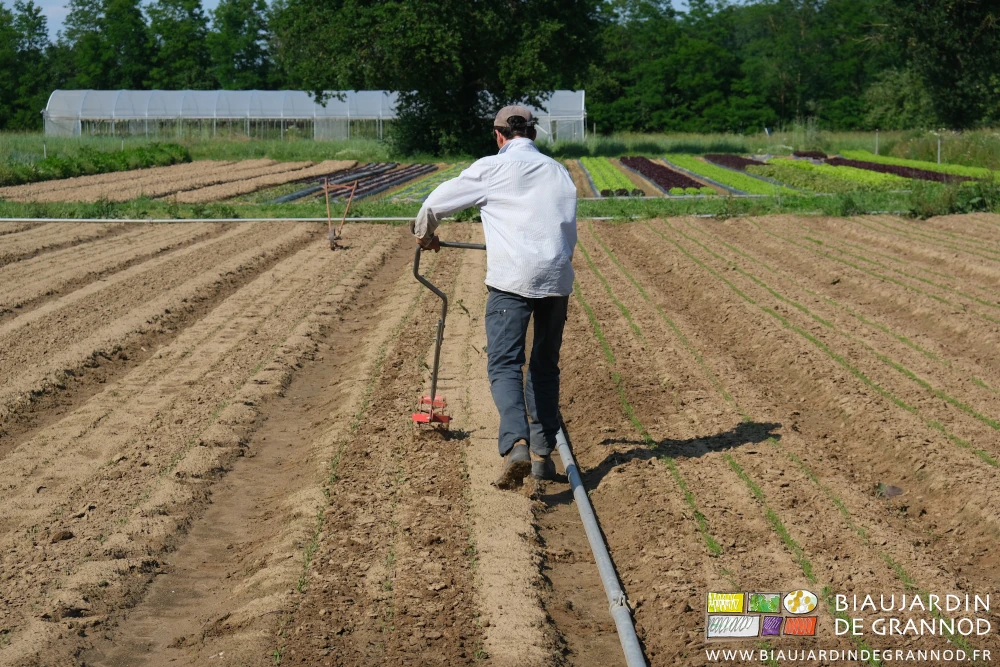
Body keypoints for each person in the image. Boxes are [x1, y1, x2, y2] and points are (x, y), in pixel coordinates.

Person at [409, 105, 578, 490]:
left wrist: (425, 235)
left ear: (498, 136)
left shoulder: (491, 168)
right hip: (557, 278)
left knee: (504, 364)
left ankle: (516, 443)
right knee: (545, 367)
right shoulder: (558, 171)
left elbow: (433, 205)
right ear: (534, 135)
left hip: (512, 278)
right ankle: (542, 455)